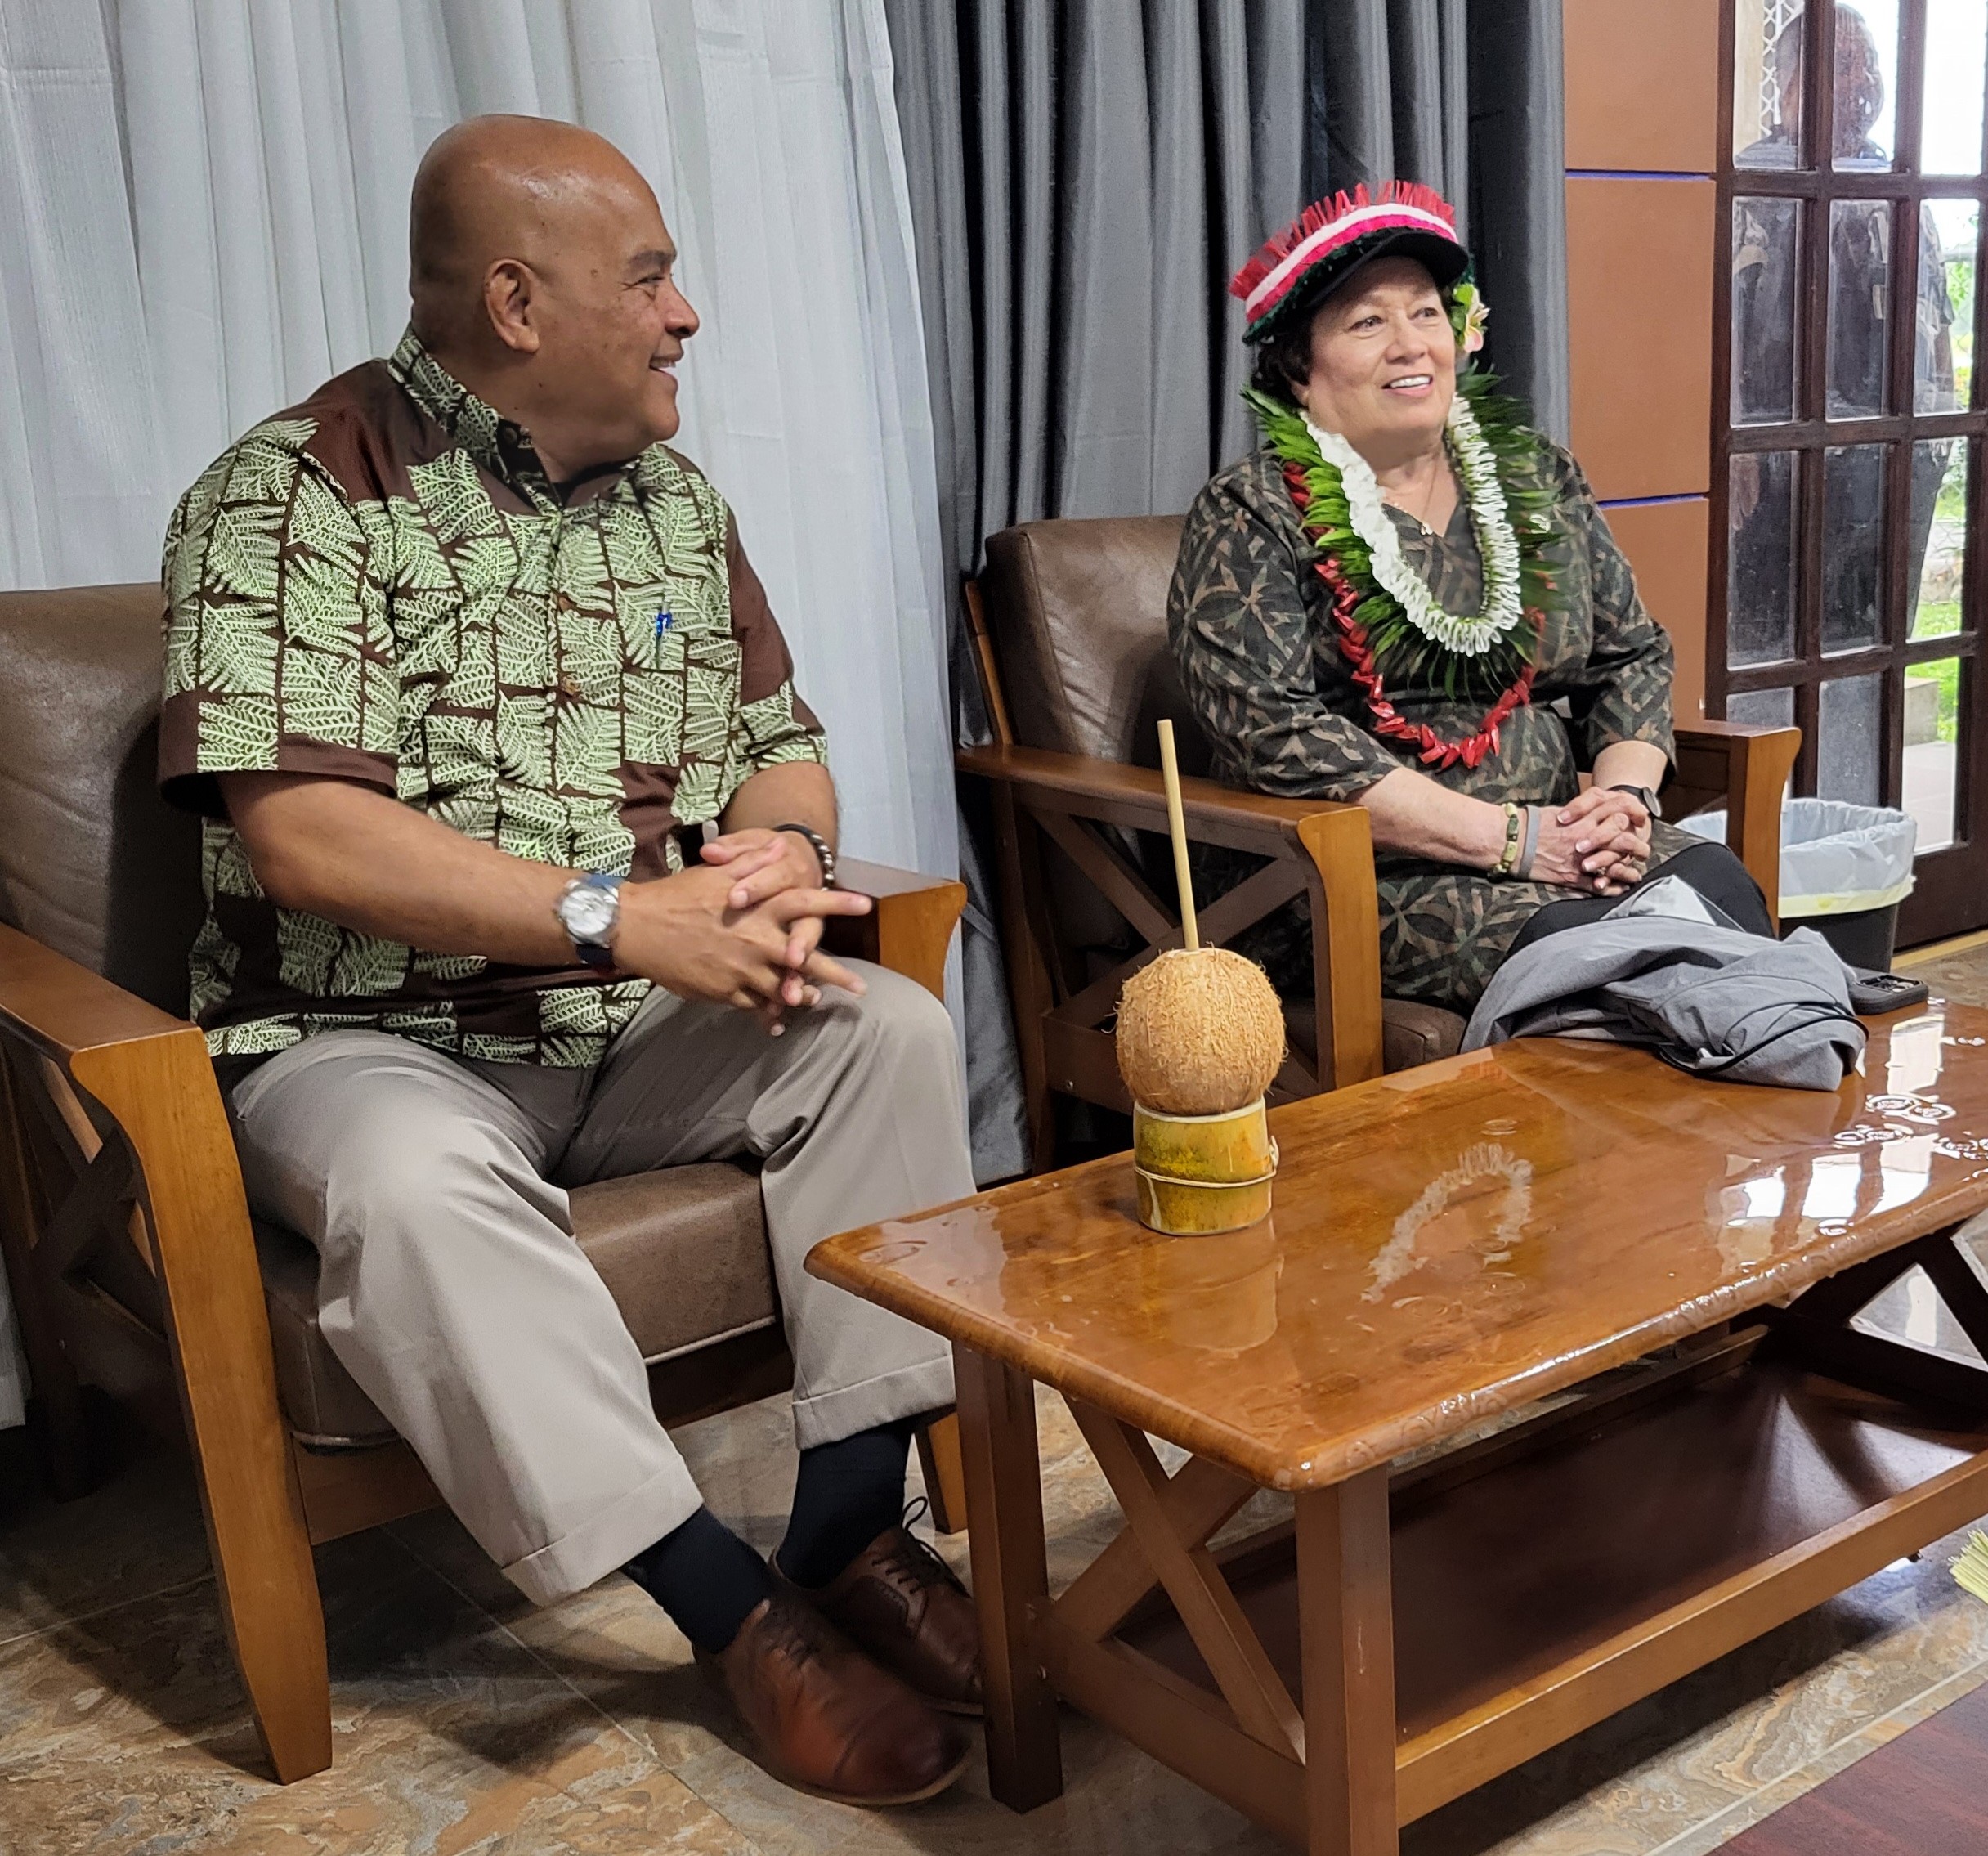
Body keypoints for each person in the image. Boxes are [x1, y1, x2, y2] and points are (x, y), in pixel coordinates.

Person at [159, 115, 978, 1807]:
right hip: (359, 1036)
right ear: (519, 304)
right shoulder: (292, 492)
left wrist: (788, 848)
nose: (687, 317)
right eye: (654, 279)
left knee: (885, 1029)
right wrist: (616, 912)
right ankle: (735, 1611)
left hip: (633, 1024)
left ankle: (845, 1535)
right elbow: (303, 833)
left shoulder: (680, 509)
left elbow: (779, 736)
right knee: (414, 1186)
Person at [1170, 182, 1771, 1014]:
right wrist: (1512, 842)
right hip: (1356, 872)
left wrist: (1620, 803)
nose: (1409, 345)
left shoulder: (1536, 476)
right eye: (1365, 322)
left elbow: (1628, 654)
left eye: (1424, 313)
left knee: (1720, 896)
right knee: (1600, 970)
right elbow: (1270, 734)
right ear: (1297, 374)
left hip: (1566, 837)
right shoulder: (1251, 512)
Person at [1731, 6, 1956, 666]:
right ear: (1794, 80)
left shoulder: (1902, 188)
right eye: (1846, 64)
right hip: (1781, 473)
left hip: (1893, 468)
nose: (1867, 82)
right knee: (1775, 648)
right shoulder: (1756, 188)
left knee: (1874, 648)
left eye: (1873, 65)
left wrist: (1939, 425)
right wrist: (1739, 448)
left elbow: (1935, 320)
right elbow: (1727, 330)